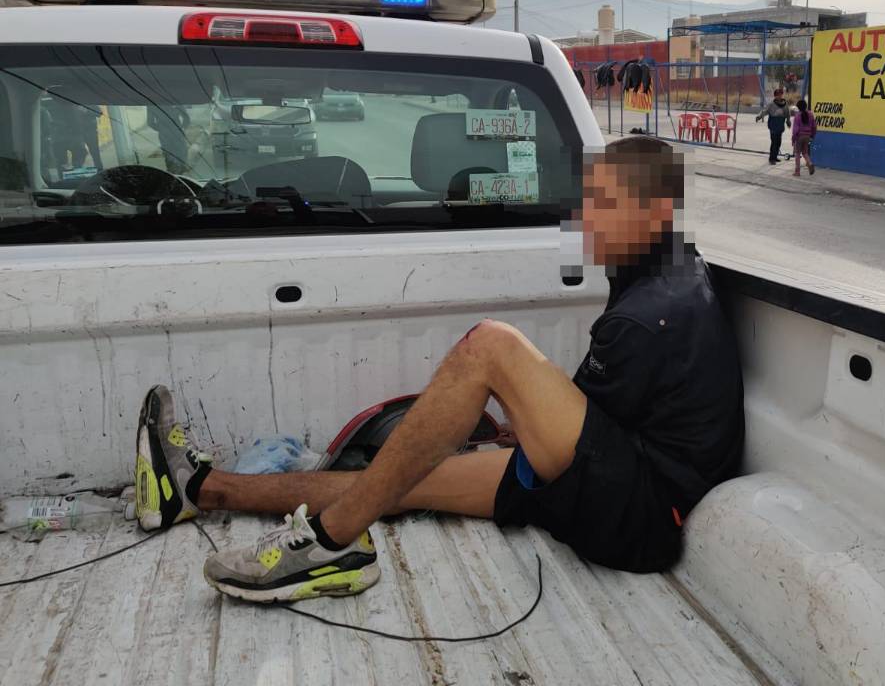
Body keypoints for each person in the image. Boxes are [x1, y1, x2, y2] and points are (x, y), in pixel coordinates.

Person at [133, 135, 745, 602]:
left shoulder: (651, 314)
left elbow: (589, 425)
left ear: (659, 210)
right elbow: (599, 417)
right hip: (618, 482)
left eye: (607, 205)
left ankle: (330, 545)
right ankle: (199, 491)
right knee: (398, 480)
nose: (586, 219)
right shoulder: (660, 268)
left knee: (491, 345)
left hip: (638, 515)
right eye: (589, 201)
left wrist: (509, 410)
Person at [755, 89, 791, 165]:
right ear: (775, 96)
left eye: (781, 94)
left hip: (780, 125)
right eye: (778, 94)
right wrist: (759, 116)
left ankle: (775, 157)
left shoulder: (785, 104)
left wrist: (788, 121)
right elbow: (765, 111)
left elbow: (788, 113)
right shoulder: (771, 104)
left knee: (778, 142)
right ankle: (772, 159)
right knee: (774, 142)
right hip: (773, 125)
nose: (780, 96)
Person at [791, 99, 817, 176]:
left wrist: (793, 139)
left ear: (798, 107)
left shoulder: (797, 116)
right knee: (805, 152)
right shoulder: (810, 114)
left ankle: (797, 171)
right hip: (807, 136)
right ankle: (810, 163)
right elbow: (814, 126)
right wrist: (812, 135)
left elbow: (795, 129)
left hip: (799, 136)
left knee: (797, 154)